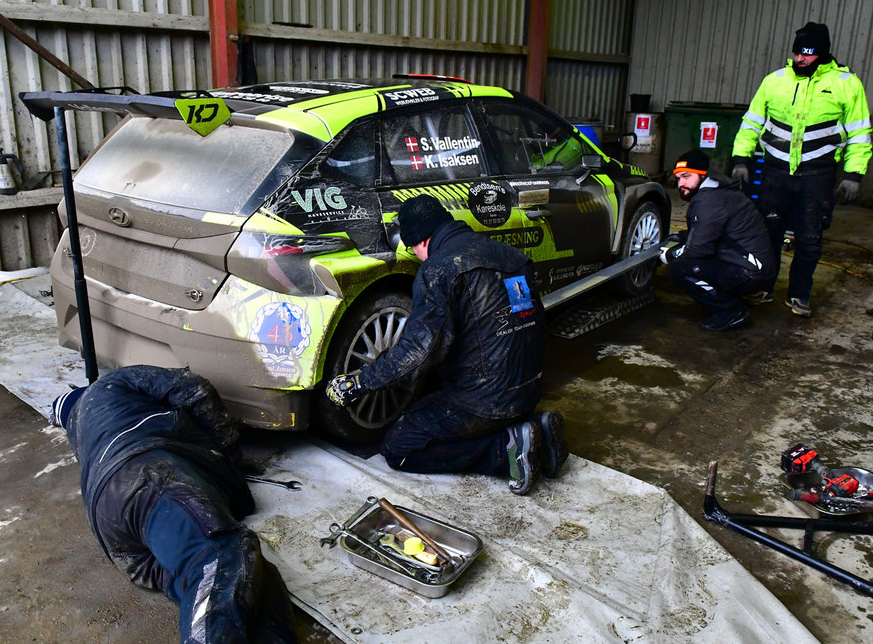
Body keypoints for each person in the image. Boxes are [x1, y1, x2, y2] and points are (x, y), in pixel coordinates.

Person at [325, 194, 567, 495]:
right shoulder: (510, 256)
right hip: (528, 391)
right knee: (437, 400)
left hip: (482, 404)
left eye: (413, 247)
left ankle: (504, 450)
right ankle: (536, 429)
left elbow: (417, 351)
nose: (414, 253)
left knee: (400, 446)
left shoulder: (440, 269)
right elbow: (534, 325)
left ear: (421, 240)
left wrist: (362, 383)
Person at [49, 365, 295, 643]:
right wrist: (228, 456)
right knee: (220, 556)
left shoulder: (80, 431)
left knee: (254, 578)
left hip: (121, 540)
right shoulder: (111, 384)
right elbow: (193, 388)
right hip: (145, 480)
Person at [731, 21, 872, 318]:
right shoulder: (775, 81)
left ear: (822, 54)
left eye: (808, 54)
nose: (801, 60)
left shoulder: (847, 85)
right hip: (775, 173)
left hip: (817, 177)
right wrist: (740, 159)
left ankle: (798, 295)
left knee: (809, 239)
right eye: (797, 53)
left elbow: (860, 134)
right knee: (767, 233)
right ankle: (763, 286)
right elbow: (752, 122)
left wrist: (853, 175)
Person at [662, 150, 777, 332]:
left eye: (686, 176)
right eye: (678, 179)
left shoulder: (709, 200)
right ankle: (733, 296)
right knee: (692, 259)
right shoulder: (721, 190)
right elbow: (711, 232)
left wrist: (670, 253)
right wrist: (684, 237)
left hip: (748, 273)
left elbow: (697, 251)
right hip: (754, 267)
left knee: (678, 269)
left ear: (703, 175)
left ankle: (731, 310)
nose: (681, 183)